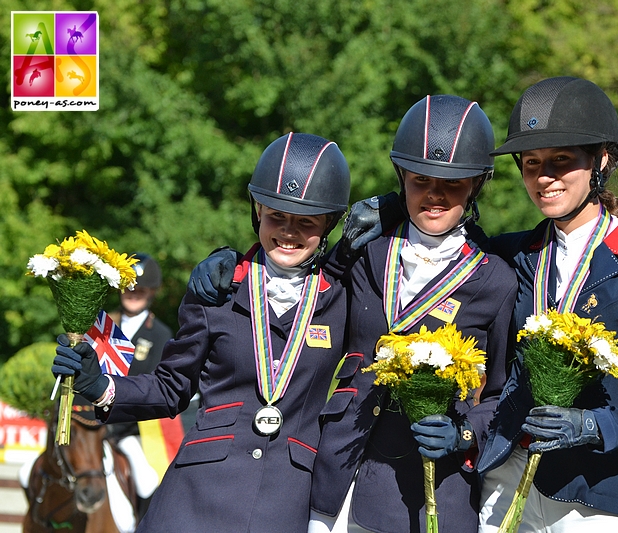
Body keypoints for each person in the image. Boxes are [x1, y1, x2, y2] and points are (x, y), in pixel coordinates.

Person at [335, 77, 618, 532]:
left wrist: (596, 426)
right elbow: (440, 226)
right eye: (532, 164)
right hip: (502, 483)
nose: (544, 178)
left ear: (602, 161)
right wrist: (392, 206)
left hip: (593, 497)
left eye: (561, 161)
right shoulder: (513, 255)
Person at [188, 95, 519, 533]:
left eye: (452, 184)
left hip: (426, 493)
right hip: (334, 479)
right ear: (402, 177)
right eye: (421, 179)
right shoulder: (366, 251)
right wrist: (231, 258)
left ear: (476, 185)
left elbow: (498, 394)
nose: (435, 194)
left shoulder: (494, 279)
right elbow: (298, 279)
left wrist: (464, 432)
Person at [51, 132, 351, 532]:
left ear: (328, 223)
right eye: (276, 215)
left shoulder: (343, 298)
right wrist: (102, 386)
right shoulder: (218, 289)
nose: (288, 231)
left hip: (286, 496)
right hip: (197, 494)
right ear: (257, 210)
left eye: (306, 222)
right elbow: (171, 386)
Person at [105, 253, 173, 517]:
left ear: (152, 293)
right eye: (129, 288)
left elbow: (154, 388)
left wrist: (117, 427)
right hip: (90, 426)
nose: (134, 294)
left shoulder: (160, 334)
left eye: (141, 290)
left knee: (146, 481)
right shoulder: (103, 325)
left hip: (131, 430)